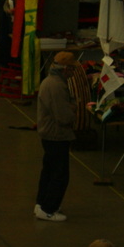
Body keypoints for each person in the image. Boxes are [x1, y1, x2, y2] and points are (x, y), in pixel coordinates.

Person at [36, 51, 79, 222]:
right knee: (59, 175)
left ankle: (41, 203)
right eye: (72, 69)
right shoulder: (57, 86)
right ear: (65, 68)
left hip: (49, 134)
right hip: (56, 135)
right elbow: (63, 116)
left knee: (48, 171)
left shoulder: (52, 82)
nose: (73, 72)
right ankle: (49, 209)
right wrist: (73, 110)